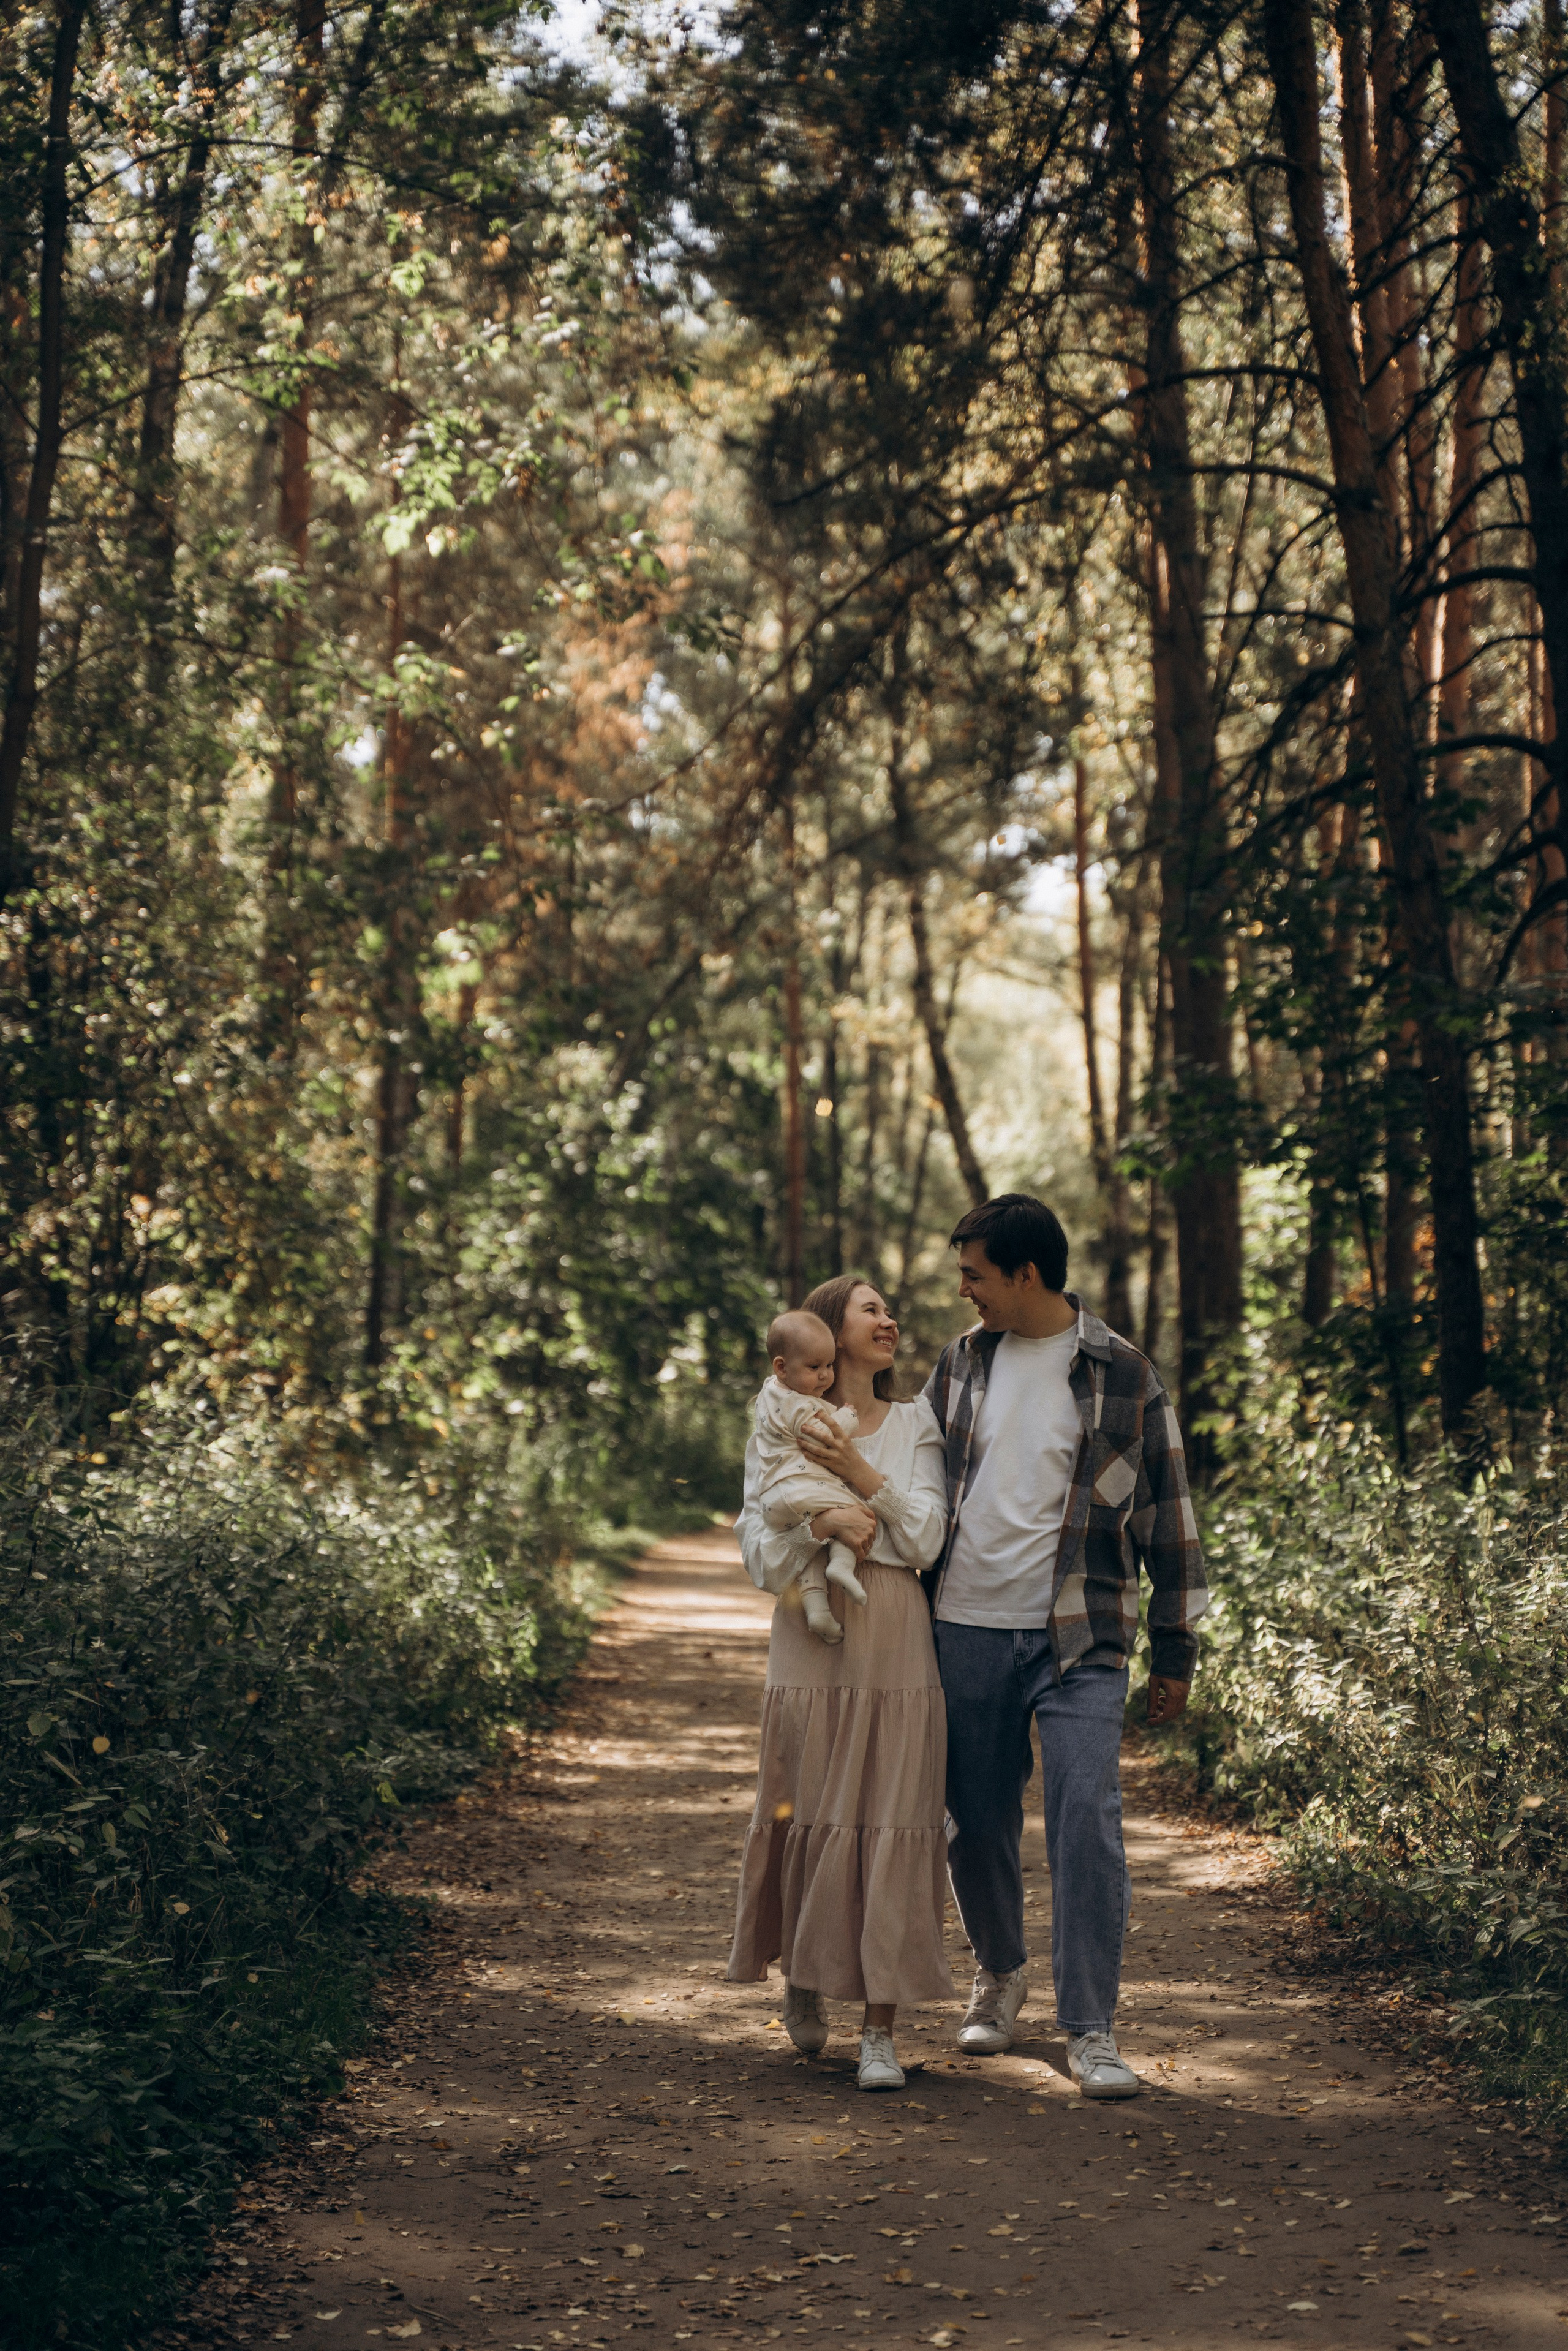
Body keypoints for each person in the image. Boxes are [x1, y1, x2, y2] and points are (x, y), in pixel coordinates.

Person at [922, 1193, 1208, 2099]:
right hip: (963, 1624)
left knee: (1087, 1818)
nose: (964, 1289)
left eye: (974, 1273)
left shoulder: (1123, 1371)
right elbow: (916, 1492)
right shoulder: (959, 1364)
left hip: (1080, 1632)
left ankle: (1091, 2026)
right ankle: (1000, 1971)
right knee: (975, 1820)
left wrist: (1176, 1649)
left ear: (1025, 1273)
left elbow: (1169, 1514)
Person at [728, 1275, 952, 2091]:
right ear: (824, 1334)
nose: (889, 1319)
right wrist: (820, 1523)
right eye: (871, 1308)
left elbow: (925, 1536)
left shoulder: (917, 1420)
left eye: (889, 1309)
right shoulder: (775, 1421)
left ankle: (882, 2030)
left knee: (894, 1814)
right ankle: (803, 1973)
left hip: (894, 1626)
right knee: (808, 1805)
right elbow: (758, 1549)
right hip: (808, 1630)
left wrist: (855, 1470)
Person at [750, 1307, 870, 1645]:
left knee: (810, 1549)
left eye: (829, 1366)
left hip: (775, 1500)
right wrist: (847, 1417)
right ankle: (842, 1567)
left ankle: (817, 1611)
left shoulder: (768, 1394)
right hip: (800, 1488)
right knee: (857, 1510)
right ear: (781, 1367)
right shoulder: (799, 1404)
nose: (825, 1376)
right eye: (815, 1367)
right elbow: (820, 1437)